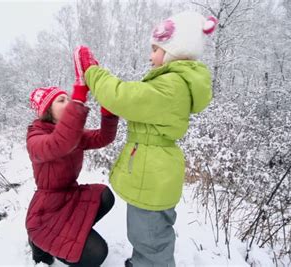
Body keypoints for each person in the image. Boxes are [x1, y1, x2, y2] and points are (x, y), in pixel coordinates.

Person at [74, 11, 218, 267]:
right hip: (154, 177)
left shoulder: (171, 86)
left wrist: (93, 72)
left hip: (153, 178)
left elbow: (123, 96)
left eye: (155, 49)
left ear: (174, 51)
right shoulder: (174, 84)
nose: (150, 56)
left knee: (151, 240)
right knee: (149, 237)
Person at [25, 78, 118, 266]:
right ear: (47, 111)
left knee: (105, 195)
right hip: (46, 212)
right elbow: (58, 143)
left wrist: (108, 112)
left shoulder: (73, 134)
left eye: (69, 99)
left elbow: (104, 137)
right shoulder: (35, 137)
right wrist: (78, 102)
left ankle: (70, 234)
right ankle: (39, 244)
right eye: (62, 101)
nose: (69, 102)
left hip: (70, 196)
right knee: (97, 253)